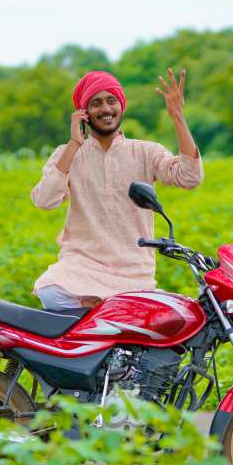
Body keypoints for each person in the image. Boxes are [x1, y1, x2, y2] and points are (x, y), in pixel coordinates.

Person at [31, 68, 204, 310]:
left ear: (121, 105)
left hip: (133, 271)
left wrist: (177, 116)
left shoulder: (146, 151)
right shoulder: (67, 154)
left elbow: (190, 177)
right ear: (84, 113)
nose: (105, 109)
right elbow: (44, 200)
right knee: (51, 291)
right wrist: (74, 144)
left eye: (111, 100)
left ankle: (105, 324)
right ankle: (94, 335)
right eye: (96, 103)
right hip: (82, 265)